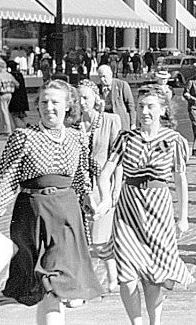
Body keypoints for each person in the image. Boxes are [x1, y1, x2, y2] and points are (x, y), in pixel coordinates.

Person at [0, 79, 102, 323]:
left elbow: (81, 176)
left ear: (68, 106)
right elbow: (6, 179)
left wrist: (90, 199)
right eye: (44, 102)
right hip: (33, 217)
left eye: (55, 102)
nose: (49, 107)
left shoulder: (77, 138)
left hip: (67, 218)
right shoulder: (23, 137)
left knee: (54, 284)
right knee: (44, 287)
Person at [95, 85, 192, 324]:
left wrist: (183, 217)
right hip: (128, 212)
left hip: (159, 211)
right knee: (126, 274)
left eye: (150, 106)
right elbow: (105, 172)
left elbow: (180, 179)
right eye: (140, 107)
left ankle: (154, 322)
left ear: (162, 110)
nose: (144, 111)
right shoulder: (126, 138)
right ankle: (136, 322)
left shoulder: (173, 140)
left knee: (154, 275)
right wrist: (107, 198)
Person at [76, 79, 122, 293]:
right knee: (80, 238)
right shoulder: (72, 124)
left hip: (102, 186)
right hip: (79, 187)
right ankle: (84, 283)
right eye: (78, 98)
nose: (82, 102)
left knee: (100, 238)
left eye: (86, 97)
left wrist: (115, 190)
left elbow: (118, 157)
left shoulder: (111, 120)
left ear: (96, 98)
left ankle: (113, 276)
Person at [98, 64, 135, 132]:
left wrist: (133, 123)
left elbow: (131, 105)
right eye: (100, 77)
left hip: (121, 122)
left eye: (104, 76)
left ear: (110, 74)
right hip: (106, 124)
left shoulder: (122, 85)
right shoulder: (98, 89)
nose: (102, 79)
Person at [0, 58, 18, 136]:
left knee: (3, 112)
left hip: (2, 94)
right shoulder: (9, 75)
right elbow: (17, 84)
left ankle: (7, 130)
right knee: (4, 111)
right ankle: (3, 129)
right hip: (10, 94)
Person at [7, 60, 30, 129]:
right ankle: (26, 123)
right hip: (22, 96)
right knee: (22, 112)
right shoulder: (19, 74)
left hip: (14, 96)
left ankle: (18, 127)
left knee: (14, 113)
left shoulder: (10, 75)